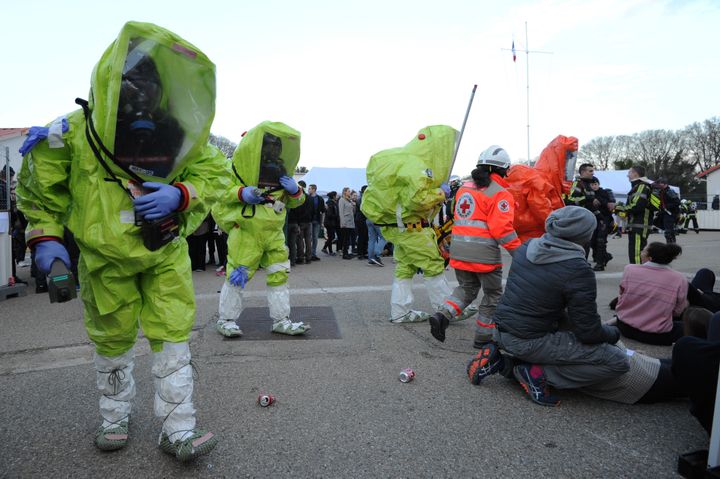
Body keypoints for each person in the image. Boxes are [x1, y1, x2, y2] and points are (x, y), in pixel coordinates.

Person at [16, 22, 222, 460]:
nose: (138, 90)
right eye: (129, 79)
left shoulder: (177, 131)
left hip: (163, 251)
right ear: (109, 80)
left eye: (148, 80)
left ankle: (178, 429)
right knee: (112, 342)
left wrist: (181, 194)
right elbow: (39, 191)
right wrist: (46, 239)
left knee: (172, 341)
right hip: (104, 259)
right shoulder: (71, 132)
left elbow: (214, 175)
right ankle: (114, 419)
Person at [470, 206, 629, 406]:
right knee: (618, 361)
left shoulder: (527, 247)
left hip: (501, 330)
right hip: (527, 340)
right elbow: (588, 332)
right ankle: (535, 373)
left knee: (570, 328)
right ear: (585, 234)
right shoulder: (578, 269)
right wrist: (613, 334)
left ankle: (503, 363)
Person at [214, 121, 310, 338]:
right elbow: (220, 192)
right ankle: (226, 319)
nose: (274, 148)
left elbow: (296, 201)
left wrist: (296, 192)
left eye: (277, 145)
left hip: (274, 233)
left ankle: (281, 320)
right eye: (269, 144)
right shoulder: (238, 167)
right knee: (237, 277)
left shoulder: (281, 170)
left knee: (279, 276)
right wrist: (240, 193)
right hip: (247, 232)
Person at [361, 125, 456, 323]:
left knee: (405, 268)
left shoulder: (405, 159)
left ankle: (400, 312)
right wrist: (441, 193)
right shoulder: (418, 166)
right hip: (412, 227)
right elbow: (416, 200)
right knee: (433, 265)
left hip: (398, 226)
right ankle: (447, 311)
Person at [428, 145, 521, 345]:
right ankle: (483, 338)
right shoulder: (500, 193)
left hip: (459, 252)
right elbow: (502, 229)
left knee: (466, 289)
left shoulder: (464, 188)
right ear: (503, 170)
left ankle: (443, 315)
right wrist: (519, 253)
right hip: (485, 256)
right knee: (493, 295)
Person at [505, 135, 578, 242]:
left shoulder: (543, 180)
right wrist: (561, 230)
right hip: (536, 239)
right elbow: (543, 211)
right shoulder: (539, 181)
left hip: (531, 237)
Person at [614, 242, 690, 345]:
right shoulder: (680, 279)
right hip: (657, 336)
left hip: (625, 327)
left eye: (644, 250)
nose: (641, 252)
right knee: (692, 325)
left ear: (649, 258)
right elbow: (677, 312)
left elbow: (621, 297)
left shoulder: (629, 269)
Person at [619, 165, 654, 264]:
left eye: (629, 173)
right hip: (637, 226)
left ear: (635, 174)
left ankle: (638, 275)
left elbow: (637, 206)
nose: (627, 175)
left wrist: (619, 208)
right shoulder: (637, 186)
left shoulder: (642, 186)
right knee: (635, 252)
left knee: (636, 254)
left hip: (639, 226)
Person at [588, 177, 615, 271]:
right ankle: (605, 256)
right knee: (592, 241)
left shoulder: (605, 192)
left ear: (598, 184)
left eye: (595, 184)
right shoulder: (588, 194)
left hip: (604, 219)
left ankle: (600, 264)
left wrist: (597, 199)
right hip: (593, 219)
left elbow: (609, 205)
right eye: (592, 184)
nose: (594, 186)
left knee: (600, 241)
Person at [651, 177, 680, 244]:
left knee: (668, 232)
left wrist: (667, 207)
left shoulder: (670, 191)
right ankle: (672, 240)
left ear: (664, 184)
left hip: (671, 213)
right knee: (656, 222)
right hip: (664, 213)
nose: (658, 185)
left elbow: (677, 202)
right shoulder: (661, 192)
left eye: (659, 183)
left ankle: (671, 246)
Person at [307, 184, 326, 261]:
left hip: (317, 220)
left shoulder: (320, 199)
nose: (308, 190)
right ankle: (308, 253)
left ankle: (313, 253)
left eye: (310, 189)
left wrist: (322, 222)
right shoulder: (307, 198)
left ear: (314, 189)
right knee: (309, 238)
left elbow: (323, 211)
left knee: (315, 238)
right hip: (309, 220)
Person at [339, 187, 356, 259]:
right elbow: (341, 212)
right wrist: (342, 223)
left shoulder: (349, 200)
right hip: (345, 222)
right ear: (345, 192)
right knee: (346, 239)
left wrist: (353, 204)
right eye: (348, 191)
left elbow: (353, 211)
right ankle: (344, 254)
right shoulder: (342, 200)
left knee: (348, 238)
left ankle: (347, 252)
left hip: (351, 222)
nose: (350, 192)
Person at [322, 191, 339, 256]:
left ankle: (326, 248)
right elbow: (329, 214)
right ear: (334, 196)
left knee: (331, 237)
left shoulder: (333, 203)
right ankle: (329, 250)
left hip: (331, 223)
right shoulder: (330, 203)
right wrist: (336, 216)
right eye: (336, 195)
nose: (337, 196)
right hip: (329, 223)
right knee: (331, 237)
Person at [355, 185, 369, 260]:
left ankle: (364, 252)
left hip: (363, 219)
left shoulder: (363, 198)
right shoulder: (360, 199)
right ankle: (360, 253)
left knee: (365, 236)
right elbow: (363, 209)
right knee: (362, 237)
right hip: (361, 220)